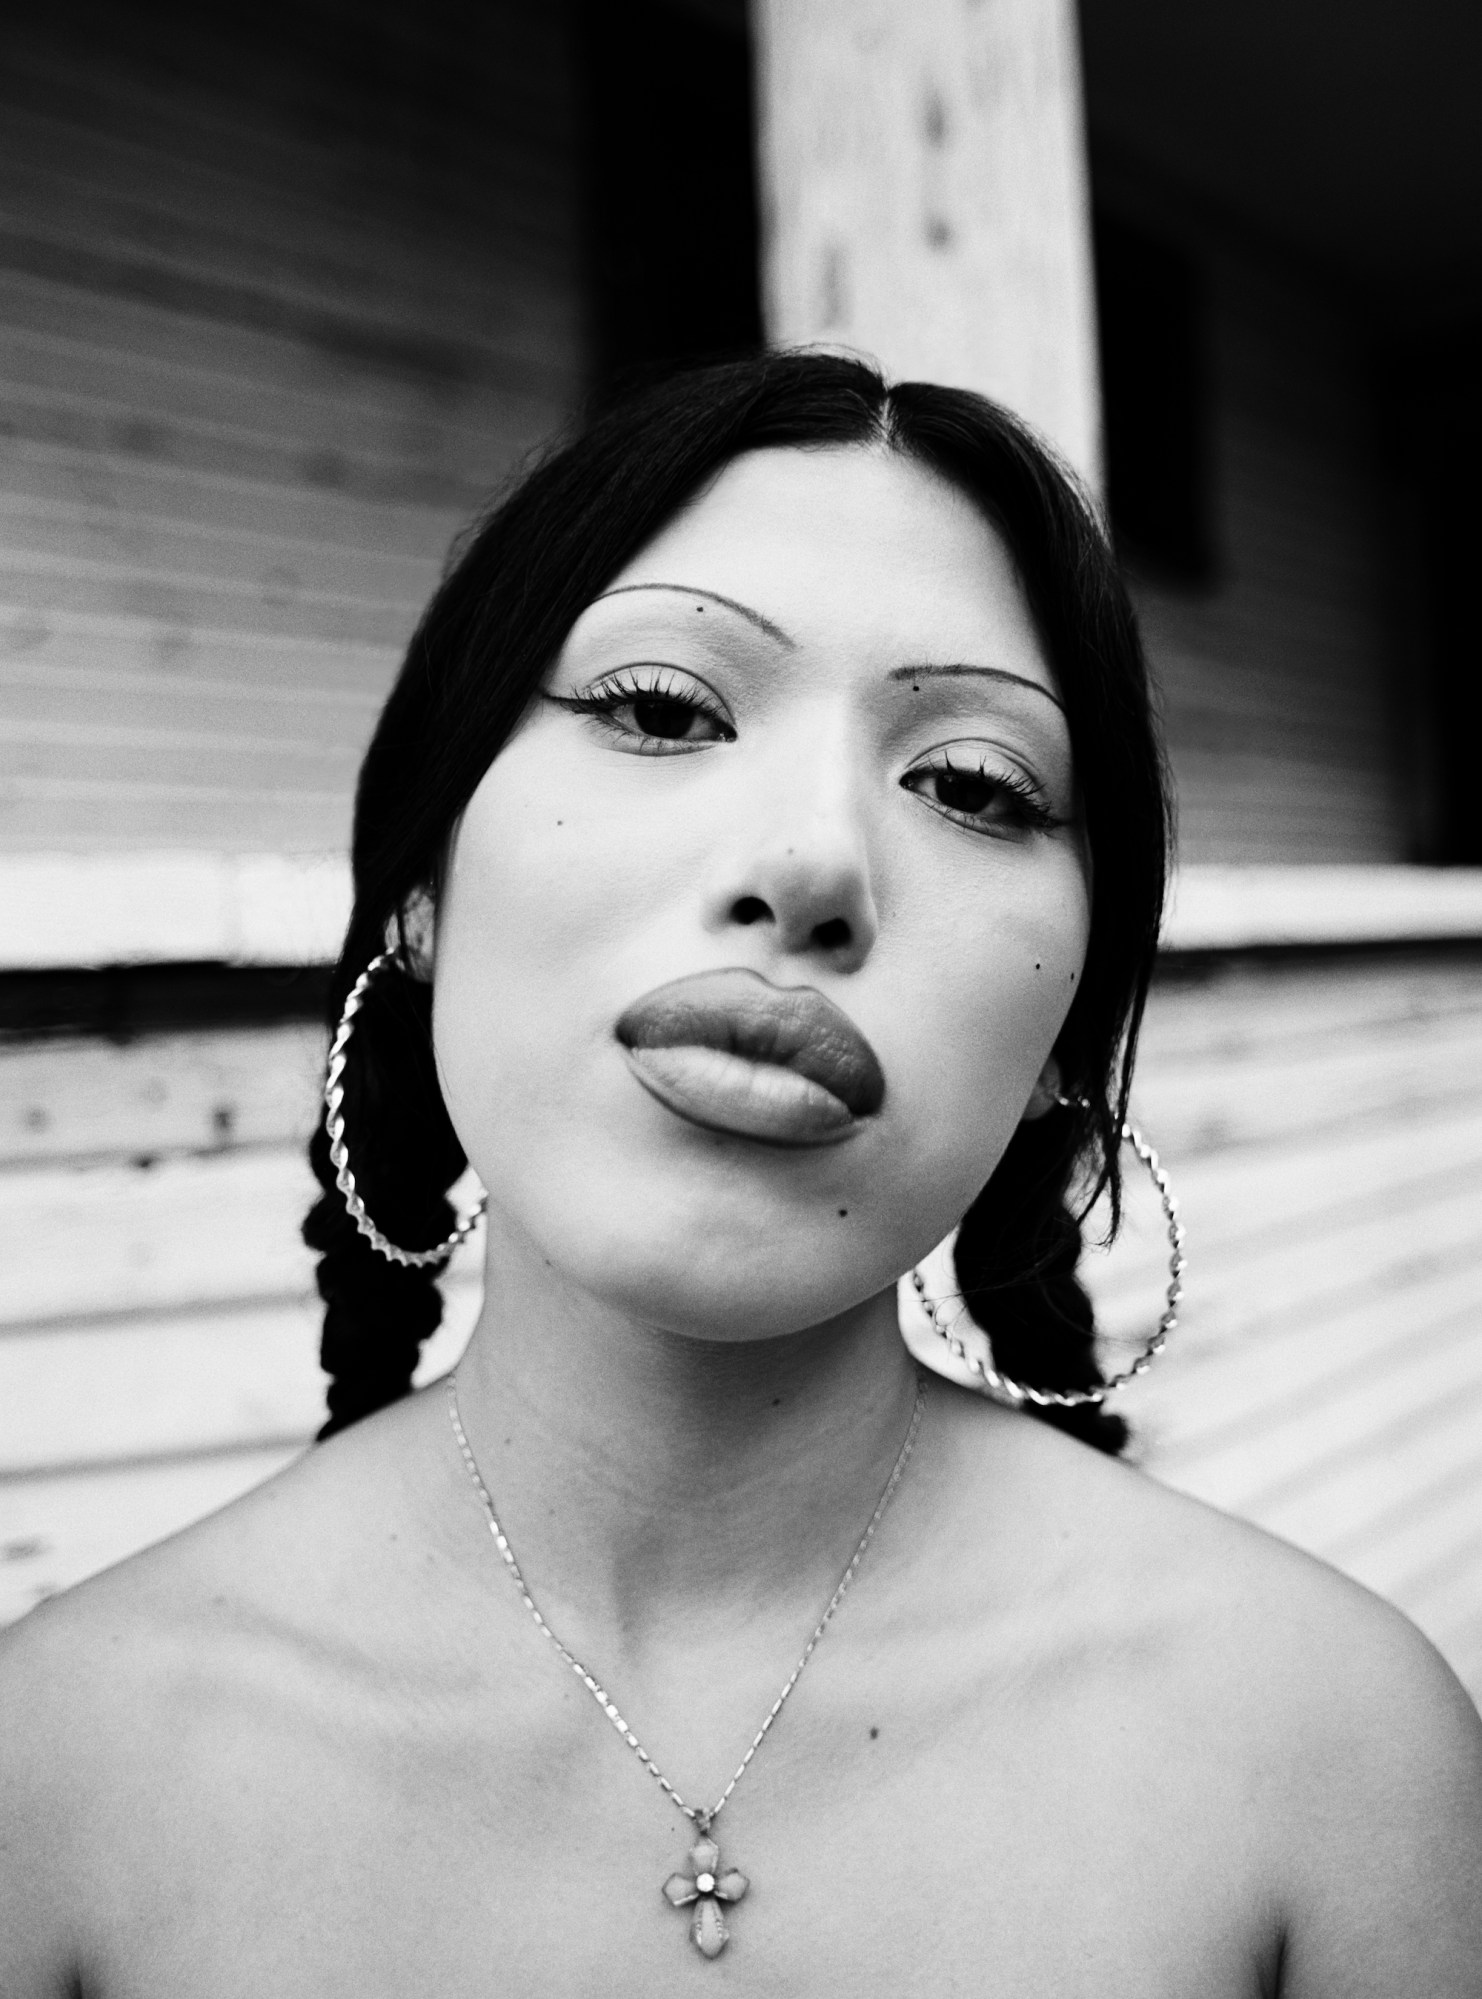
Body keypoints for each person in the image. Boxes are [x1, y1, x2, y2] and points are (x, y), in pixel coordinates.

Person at [1, 353, 1478, 1995]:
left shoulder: (1337, 1758)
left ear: (1073, 1027)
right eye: (657, 709)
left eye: (973, 786)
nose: (809, 861)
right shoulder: (57, 1777)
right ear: (422, 876)